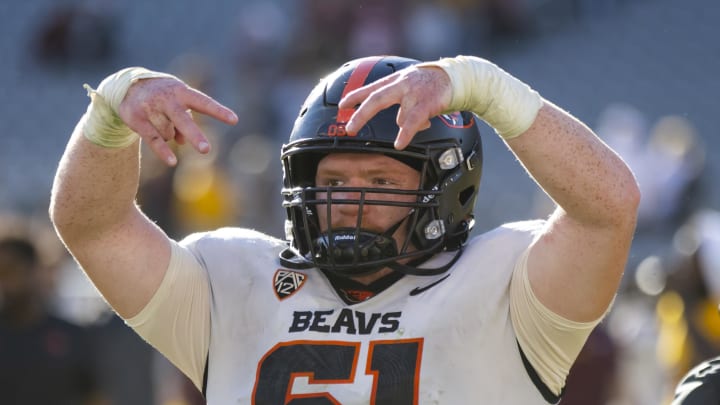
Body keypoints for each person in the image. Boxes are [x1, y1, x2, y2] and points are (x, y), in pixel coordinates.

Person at [50, 54, 639, 403]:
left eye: (382, 183)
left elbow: (608, 207)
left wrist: (481, 85)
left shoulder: (509, 286)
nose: (349, 203)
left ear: (448, 185)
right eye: (333, 181)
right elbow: (92, 225)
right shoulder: (231, 279)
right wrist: (110, 116)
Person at [0, 227, 103, 404]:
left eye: (10, 270)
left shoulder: (71, 334)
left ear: (34, 270)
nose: (6, 283)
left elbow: (94, 394)